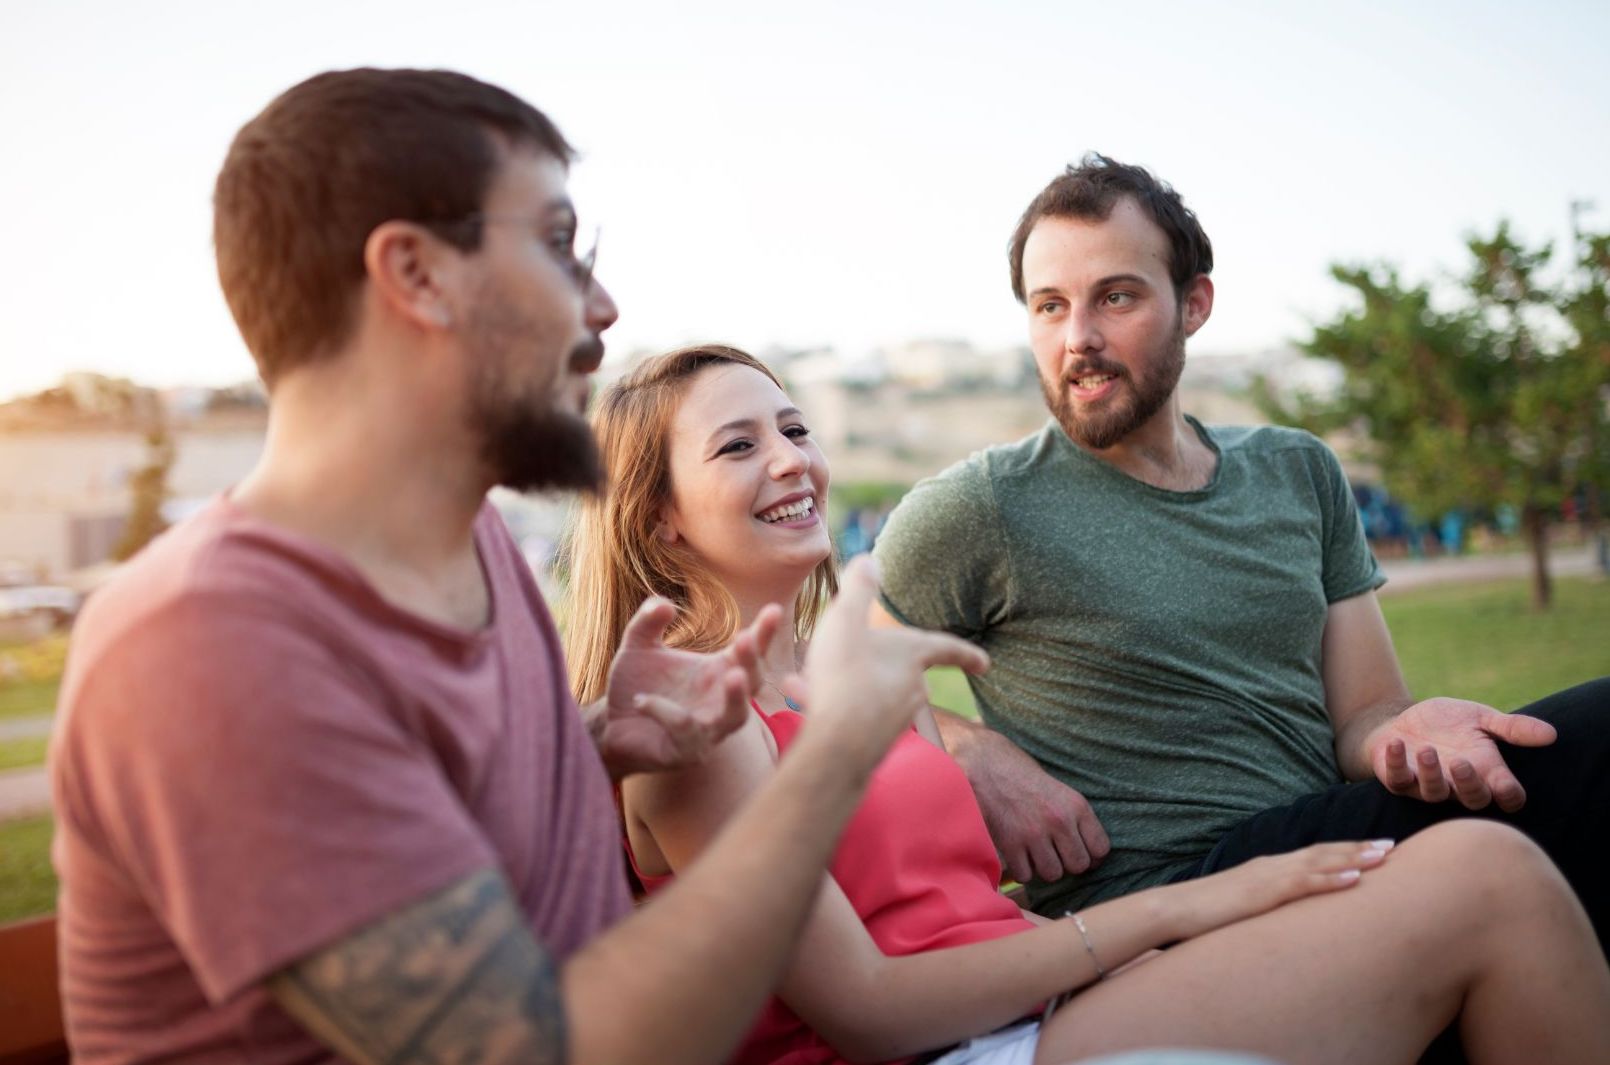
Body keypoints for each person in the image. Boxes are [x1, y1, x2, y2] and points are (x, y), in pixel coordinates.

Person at [47, 67, 990, 1065]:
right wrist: (835, 752)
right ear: (416, 274)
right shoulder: (212, 644)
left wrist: (596, 748)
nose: (605, 307)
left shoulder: (473, 546)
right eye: (557, 245)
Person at [563, 343, 1610, 1065]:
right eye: (738, 445)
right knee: (1485, 882)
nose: (792, 458)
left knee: (1480, 869)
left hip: (1035, 1007)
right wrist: (1181, 908)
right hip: (945, 1050)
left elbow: (952, 911)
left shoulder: (856, 669)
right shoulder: (694, 726)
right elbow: (869, 1012)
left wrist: (1167, 938)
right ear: (659, 521)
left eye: (793, 426)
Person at [868, 154, 1610, 938]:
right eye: (1050, 306)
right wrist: (967, 748)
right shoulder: (982, 506)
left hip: (1325, 837)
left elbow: (1366, 712)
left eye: (1116, 296)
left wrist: (1403, 732)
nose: (1078, 337)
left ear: (1194, 304)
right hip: (1166, 893)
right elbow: (827, 679)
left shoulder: (1298, 470)